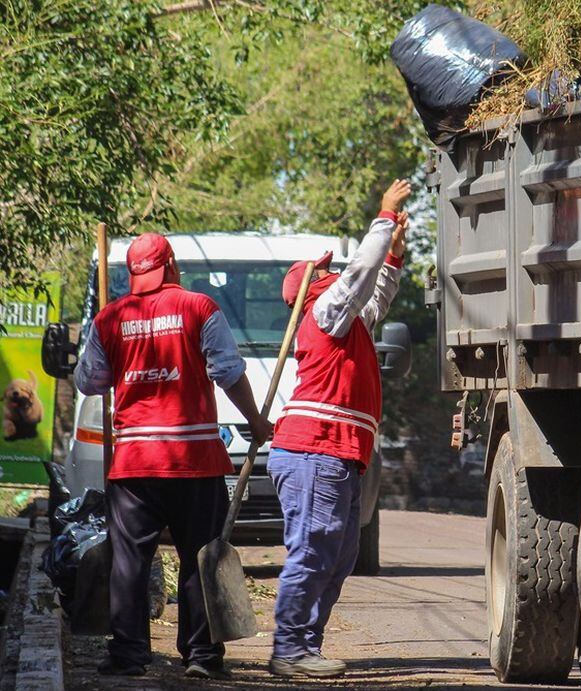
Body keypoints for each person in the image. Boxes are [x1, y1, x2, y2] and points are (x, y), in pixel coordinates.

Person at [74, 232, 273, 680]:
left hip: (133, 464)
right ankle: (201, 655)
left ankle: (127, 655)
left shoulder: (111, 318)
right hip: (195, 460)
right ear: (172, 266)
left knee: (128, 561)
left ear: (133, 275)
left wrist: (118, 345)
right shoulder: (199, 308)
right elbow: (228, 371)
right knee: (200, 556)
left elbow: (89, 382)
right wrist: (257, 421)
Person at [267, 178, 411, 678]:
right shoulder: (324, 312)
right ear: (314, 286)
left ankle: (306, 645)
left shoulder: (347, 325)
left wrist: (393, 256)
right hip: (314, 452)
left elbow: (376, 294)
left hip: (337, 454)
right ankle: (289, 650)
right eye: (326, 272)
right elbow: (358, 279)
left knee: (339, 553)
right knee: (314, 548)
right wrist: (384, 216)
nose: (335, 275)